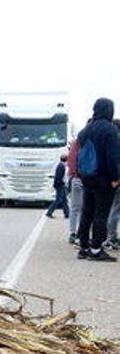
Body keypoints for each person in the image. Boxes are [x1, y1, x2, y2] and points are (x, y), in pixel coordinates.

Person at [75, 98, 120, 261]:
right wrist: (116, 177)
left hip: (87, 176)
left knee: (87, 212)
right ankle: (96, 249)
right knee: (101, 214)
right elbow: (113, 157)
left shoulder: (86, 129)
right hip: (104, 178)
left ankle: (84, 248)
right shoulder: (110, 130)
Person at [105, 119, 120, 249]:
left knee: (111, 208)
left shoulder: (112, 140)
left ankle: (109, 236)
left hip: (108, 179)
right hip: (117, 179)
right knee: (115, 209)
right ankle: (112, 237)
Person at [66, 138, 83, 244]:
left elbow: (70, 161)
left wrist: (73, 175)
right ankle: (81, 233)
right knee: (84, 209)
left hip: (76, 178)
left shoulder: (75, 143)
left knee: (74, 208)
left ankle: (72, 232)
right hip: (88, 179)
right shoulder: (91, 142)